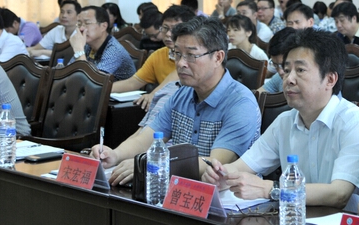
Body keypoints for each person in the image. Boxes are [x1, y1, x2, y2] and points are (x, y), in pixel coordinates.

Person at [203, 29, 359, 210]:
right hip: (299, 220)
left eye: (300, 70)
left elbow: (339, 194)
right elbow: (243, 166)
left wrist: (270, 189)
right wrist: (221, 175)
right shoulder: (284, 122)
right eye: (286, 70)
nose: (288, 79)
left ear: (330, 79)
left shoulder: (356, 125)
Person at [90, 17, 261, 185]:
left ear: (218, 57)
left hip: (229, 196)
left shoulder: (241, 103)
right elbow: (146, 139)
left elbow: (215, 164)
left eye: (191, 55)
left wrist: (149, 165)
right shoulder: (182, 94)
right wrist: (115, 155)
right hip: (178, 186)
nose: (180, 63)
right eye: (177, 54)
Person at [112, 5, 195, 112]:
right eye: (165, 28)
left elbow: (176, 75)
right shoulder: (158, 55)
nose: (168, 34)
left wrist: (154, 94)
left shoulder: (196, 56)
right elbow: (133, 82)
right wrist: (103, 90)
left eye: (175, 29)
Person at [68, 5, 135, 81]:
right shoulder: (87, 45)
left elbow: (94, 82)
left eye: (87, 23)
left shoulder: (114, 50)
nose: (81, 28)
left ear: (103, 26)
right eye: (79, 24)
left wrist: (79, 51)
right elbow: (68, 72)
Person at [258, 27, 296, 94]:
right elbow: (257, 94)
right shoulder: (279, 78)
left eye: (284, 65)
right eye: (275, 65)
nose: (280, 72)